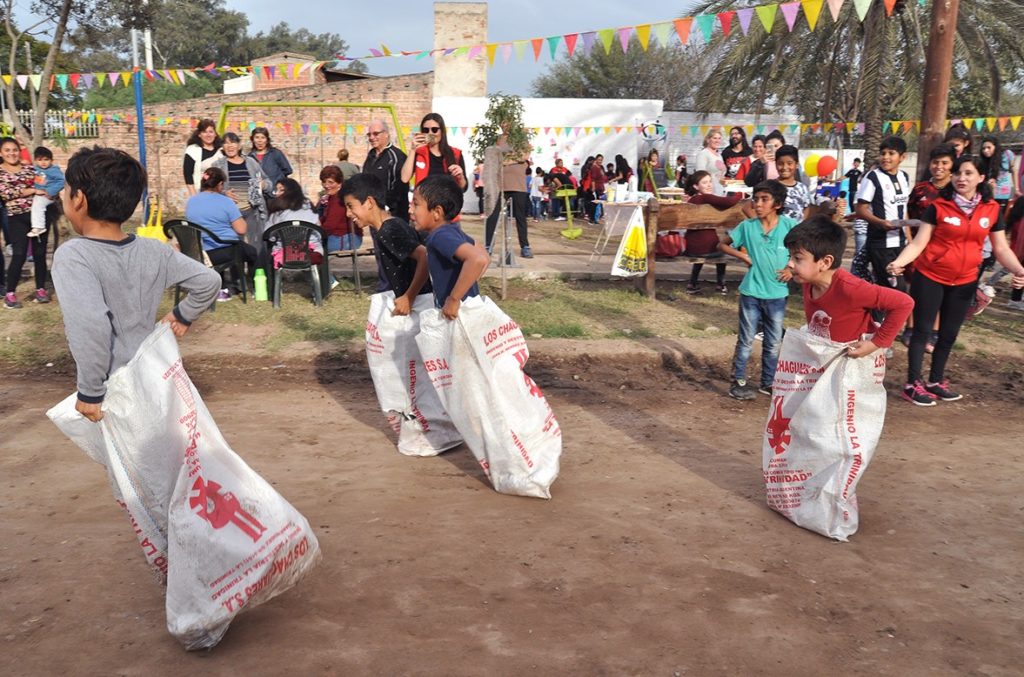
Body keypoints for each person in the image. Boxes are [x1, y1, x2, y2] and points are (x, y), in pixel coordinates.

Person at [51, 145, 220, 421]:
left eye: (66, 189)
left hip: (114, 389)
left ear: (79, 199)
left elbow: (91, 325)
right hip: (151, 377)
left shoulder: (73, 256)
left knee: (126, 462)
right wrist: (182, 315)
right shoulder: (154, 250)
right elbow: (209, 280)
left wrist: (90, 392)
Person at [887, 154, 1024, 405]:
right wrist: (899, 263)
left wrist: (1019, 270)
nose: (962, 178)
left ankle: (936, 381)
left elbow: (1001, 248)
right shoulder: (938, 207)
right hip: (930, 276)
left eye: (969, 173)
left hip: (965, 280)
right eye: (958, 173)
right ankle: (912, 384)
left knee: (948, 334)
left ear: (981, 178)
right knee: (922, 331)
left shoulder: (992, 209)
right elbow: (919, 242)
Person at [783, 215, 913, 367]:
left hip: (852, 367)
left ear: (825, 262)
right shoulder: (808, 282)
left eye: (797, 258)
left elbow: (904, 303)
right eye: (789, 256)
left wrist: (876, 343)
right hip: (825, 362)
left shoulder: (851, 288)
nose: (790, 264)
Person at [717, 180, 799, 400]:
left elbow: (803, 248)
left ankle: (768, 383)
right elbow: (723, 244)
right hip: (751, 293)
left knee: (773, 342)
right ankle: (738, 382)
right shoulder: (747, 227)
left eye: (765, 199)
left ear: (778, 204)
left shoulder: (790, 226)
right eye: (756, 199)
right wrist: (742, 255)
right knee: (745, 340)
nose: (758, 204)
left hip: (778, 294)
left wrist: (792, 268)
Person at [341, 173, 431, 315]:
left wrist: (409, 297)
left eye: (350, 206)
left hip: (420, 306)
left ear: (370, 202)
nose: (348, 213)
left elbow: (424, 256)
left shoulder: (388, 230)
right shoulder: (391, 226)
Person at [411, 175, 489, 318]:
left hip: (458, 315)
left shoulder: (439, 237)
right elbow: (483, 254)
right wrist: (467, 284)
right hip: (465, 312)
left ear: (437, 212)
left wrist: (454, 299)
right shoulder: (452, 230)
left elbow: (477, 259)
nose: (411, 211)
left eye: (415, 204)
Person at [184, 167, 259, 302]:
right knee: (252, 252)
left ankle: (221, 288)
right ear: (220, 185)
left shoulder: (191, 201)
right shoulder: (226, 202)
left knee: (221, 243)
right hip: (223, 252)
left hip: (199, 251)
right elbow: (241, 229)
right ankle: (254, 288)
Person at [854, 136, 912, 301]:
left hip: (900, 244)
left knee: (891, 288)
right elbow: (860, 209)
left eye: (891, 153)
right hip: (881, 244)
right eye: (883, 153)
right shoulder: (872, 177)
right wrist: (880, 223)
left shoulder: (904, 177)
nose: (886, 157)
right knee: (895, 288)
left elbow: (904, 210)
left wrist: (909, 238)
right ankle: (878, 324)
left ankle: (876, 323)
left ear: (902, 157)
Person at [683, 170, 752, 295]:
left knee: (709, 247)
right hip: (705, 248)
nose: (709, 185)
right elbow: (728, 201)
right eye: (705, 183)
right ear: (696, 186)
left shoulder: (692, 200)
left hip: (691, 247)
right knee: (722, 249)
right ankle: (721, 284)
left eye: (710, 181)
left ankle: (692, 283)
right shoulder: (705, 197)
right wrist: (743, 195)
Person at [1, 137, 49, 308]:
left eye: (14, 150)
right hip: (16, 218)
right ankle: (10, 294)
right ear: (1, 153)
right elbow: (7, 193)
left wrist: (42, 189)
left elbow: (42, 184)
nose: (12, 153)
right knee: (19, 253)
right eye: (7, 150)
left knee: (39, 253)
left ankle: (41, 289)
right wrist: (32, 190)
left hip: (38, 216)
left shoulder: (30, 168)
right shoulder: (0, 172)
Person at [211, 132, 268, 254]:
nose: (230, 146)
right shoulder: (218, 165)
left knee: (256, 246)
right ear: (222, 147)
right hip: (230, 214)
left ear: (239, 145)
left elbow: (268, 181)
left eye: (233, 142)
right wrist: (223, 194)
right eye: (226, 143)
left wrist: (264, 184)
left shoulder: (251, 162)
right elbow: (208, 190)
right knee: (234, 247)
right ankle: (237, 272)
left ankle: (256, 272)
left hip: (252, 211)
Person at [484, 127, 532, 258]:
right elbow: (495, 158)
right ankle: (488, 245)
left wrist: (507, 159)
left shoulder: (521, 137)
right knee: (493, 216)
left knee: (520, 217)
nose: (505, 124)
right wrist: (514, 157)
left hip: (518, 185)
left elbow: (525, 155)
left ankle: (525, 246)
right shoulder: (499, 139)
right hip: (500, 185)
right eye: (502, 121)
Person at [401, 113, 467, 192]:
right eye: (426, 130)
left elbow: (463, 188)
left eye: (434, 129)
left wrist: (460, 177)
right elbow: (404, 178)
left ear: (442, 131)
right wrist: (412, 149)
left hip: (447, 202)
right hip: (424, 202)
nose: (430, 133)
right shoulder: (419, 153)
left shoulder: (455, 153)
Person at [362, 118, 409, 219]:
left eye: (375, 134)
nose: (371, 137)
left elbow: (399, 188)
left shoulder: (396, 156)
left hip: (393, 215)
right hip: (374, 214)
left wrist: (388, 209)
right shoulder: (371, 155)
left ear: (386, 134)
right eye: (369, 134)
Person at [317, 165, 360, 252]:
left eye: (331, 182)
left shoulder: (340, 198)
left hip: (344, 237)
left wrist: (315, 233)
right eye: (324, 182)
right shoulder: (330, 197)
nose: (326, 185)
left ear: (339, 183)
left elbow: (331, 224)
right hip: (337, 236)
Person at [27, 146, 64, 238]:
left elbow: (62, 181)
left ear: (51, 160)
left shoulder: (54, 170)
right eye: (40, 160)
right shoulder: (35, 169)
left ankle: (39, 226)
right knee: (35, 203)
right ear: (35, 160)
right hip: (38, 193)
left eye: (46, 159)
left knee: (38, 204)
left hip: (48, 195)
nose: (43, 162)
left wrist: (49, 191)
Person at [248, 126, 292, 197]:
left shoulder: (275, 153)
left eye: (263, 137)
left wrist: (277, 183)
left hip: (275, 194)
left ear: (267, 140)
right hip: (259, 196)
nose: (260, 141)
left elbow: (288, 170)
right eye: (257, 137)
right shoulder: (249, 157)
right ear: (252, 140)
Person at [183, 119, 222, 196]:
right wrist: (194, 196)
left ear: (215, 134)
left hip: (220, 193)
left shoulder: (222, 151)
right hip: (199, 192)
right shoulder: (192, 150)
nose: (208, 135)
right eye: (204, 132)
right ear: (199, 134)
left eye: (211, 132)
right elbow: (188, 175)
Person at [979, 135, 1018, 208]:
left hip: (1004, 193)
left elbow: (1014, 171)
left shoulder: (1007, 154)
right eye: (983, 148)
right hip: (989, 194)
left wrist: (1016, 189)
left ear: (995, 147)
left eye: (988, 147)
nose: (985, 150)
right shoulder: (984, 161)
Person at [775, 145, 811, 221]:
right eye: (780, 163)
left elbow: (806, 208)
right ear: (775, 164)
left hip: (797, 231)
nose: (784, 167)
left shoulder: (803, 188)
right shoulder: (770, 186)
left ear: (797, 165)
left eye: (789, 163)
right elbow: (749, 207)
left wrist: (801, 225)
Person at [695, 129, 727, 195]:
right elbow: (700, 175)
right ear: (708, 140)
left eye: (719, 138)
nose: (717, 141)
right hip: (709, 192)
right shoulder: (704, 154)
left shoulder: (719, 156)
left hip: (720, 191)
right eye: (714, 138)